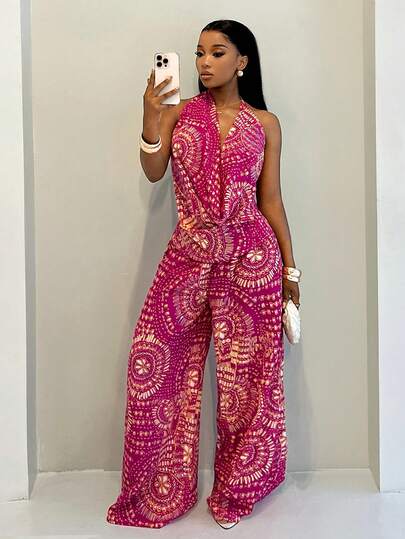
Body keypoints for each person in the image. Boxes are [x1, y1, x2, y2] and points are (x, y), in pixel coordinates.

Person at [106, 19, 301, 530]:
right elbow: (153, 172)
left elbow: (271, 200)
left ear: (242, 61)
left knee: (245, 382)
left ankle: (237, 491)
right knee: (154, 364)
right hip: (189, 253)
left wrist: (291, 270)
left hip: (251, 258)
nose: (204, 62)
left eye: (217, 52)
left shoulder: (265, 123)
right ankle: (160, 492)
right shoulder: (179, 114)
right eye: (198, 53)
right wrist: (150, 120)